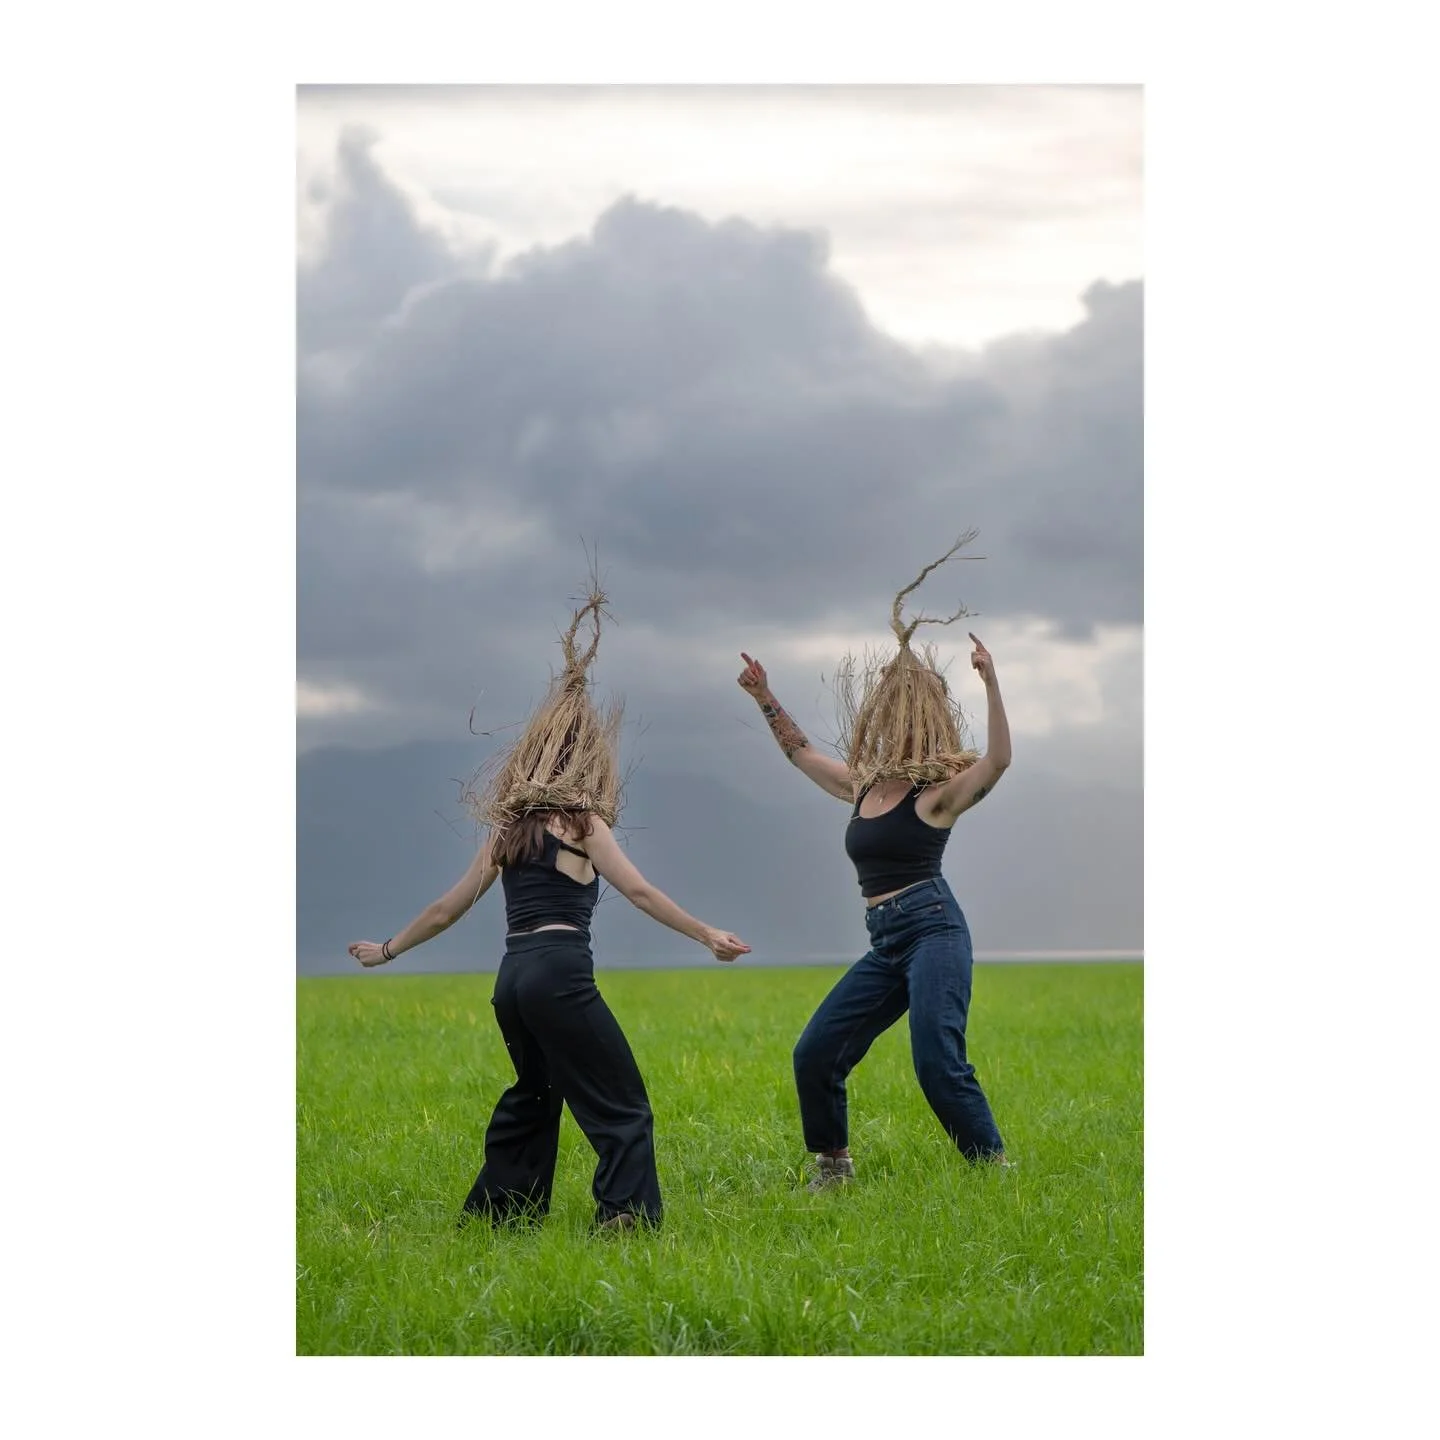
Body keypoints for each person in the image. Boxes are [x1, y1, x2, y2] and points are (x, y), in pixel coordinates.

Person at [349, 583, 750, 1233]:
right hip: (560, 973)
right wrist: (707, 934)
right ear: (587, 758)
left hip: (513, 980)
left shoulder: (507, 829)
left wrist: (386, 950)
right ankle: (623, 1219)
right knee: (624, 1106)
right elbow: (640, 891)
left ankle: (499, 1219)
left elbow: (448, 907)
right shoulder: (581, 821)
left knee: (535, 1095)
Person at [735, 532, 1011, 1190]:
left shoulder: (937, 797)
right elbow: (800, 753)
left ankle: (996, 1172)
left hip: (933, 928)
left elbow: (997, 761)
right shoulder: (862, 785)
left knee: (937, 1060)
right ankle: (833, 1168)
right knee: (816, 1052)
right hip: (885, 941)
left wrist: (993, 683)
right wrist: (764, 696)